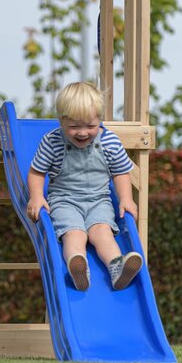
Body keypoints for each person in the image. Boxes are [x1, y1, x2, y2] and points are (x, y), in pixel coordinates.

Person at [26, 82, 142, 291]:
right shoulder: (52, 142)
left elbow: (120, 172)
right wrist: (36, 196)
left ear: (100, 120)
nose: (82, 133)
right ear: (61, 121)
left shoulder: (110, 142)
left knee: (102, 232)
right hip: (64, 201)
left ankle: (117, 268)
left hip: (99, 200)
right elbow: (36, 171)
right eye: (73, 127)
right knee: (74, 233)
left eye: (90, 126)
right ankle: (78, 266)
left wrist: (126, 198)